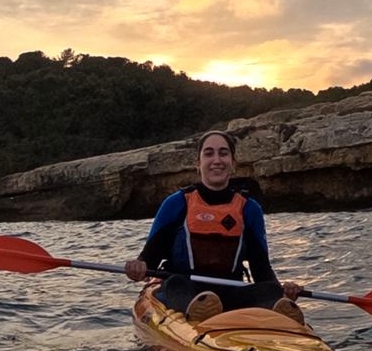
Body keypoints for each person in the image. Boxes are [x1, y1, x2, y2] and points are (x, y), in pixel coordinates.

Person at [124, 130, 307, 324]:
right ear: (198, 163)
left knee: (269, 291)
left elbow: (261, 269)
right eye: (209, 153)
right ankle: (199, 311)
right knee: (176, 284)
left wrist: (282, 292)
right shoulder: (177, 203)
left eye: (223, 153)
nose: (217, 160)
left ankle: (280, 314)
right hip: (184, 288)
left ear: (233, 164)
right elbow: (150, 258)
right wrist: (139, 265)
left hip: (231, 292)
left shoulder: (249, 209)